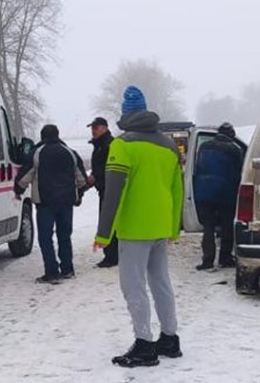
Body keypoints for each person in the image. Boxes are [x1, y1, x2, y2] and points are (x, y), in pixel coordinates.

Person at [95, 85, 184, 368]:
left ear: (125, 114)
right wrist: (173, 228)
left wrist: (104, 233)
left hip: (134, 228)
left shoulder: (122, 146)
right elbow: (177, 190)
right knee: (161, 282)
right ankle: (170, 338)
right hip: (160, 226)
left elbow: (114, 192)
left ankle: (144, 344)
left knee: (133, 287)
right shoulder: (169, 146)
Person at [15, 124, 88, 284]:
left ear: (42, 136)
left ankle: (52, 271)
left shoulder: (37, 153)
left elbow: (24, 177)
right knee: (64, 235)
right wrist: (79, 194)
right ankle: (68, 269)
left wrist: (18, 190)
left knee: (45, 237)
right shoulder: (70, 152)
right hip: (66, 202)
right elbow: (82, 179)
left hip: (45, 202)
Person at [192, 122, 244, 270]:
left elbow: (198, 168)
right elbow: (238, 173)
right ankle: (225, 258)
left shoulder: (204, 146)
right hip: (225, 193)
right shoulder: (235, 150)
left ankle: (207, 260)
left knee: (208, 227)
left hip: (203, 192)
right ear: (231, 135)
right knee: (227, 226)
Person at [87, 116, 119, 268]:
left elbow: (110, 167)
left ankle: (112, 255)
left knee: (108, 221)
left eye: (96, 127)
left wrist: (96, 177)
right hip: (104, 187)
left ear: (105, 128)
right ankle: (112, 253)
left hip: (109, 188)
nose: (93, 131)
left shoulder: (109, 145)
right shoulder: (101, 144)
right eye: (92, 128)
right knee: (109, 220)